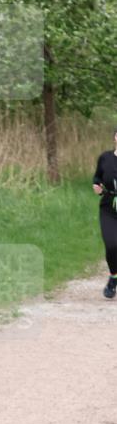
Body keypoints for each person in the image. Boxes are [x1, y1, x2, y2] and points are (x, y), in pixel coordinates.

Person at [92, 127, 117, 299]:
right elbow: (97, 178)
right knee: (111, 244)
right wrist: (97, 187)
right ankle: (113, 277)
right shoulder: (105, 158)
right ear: (115, 137)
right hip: (109, 206)